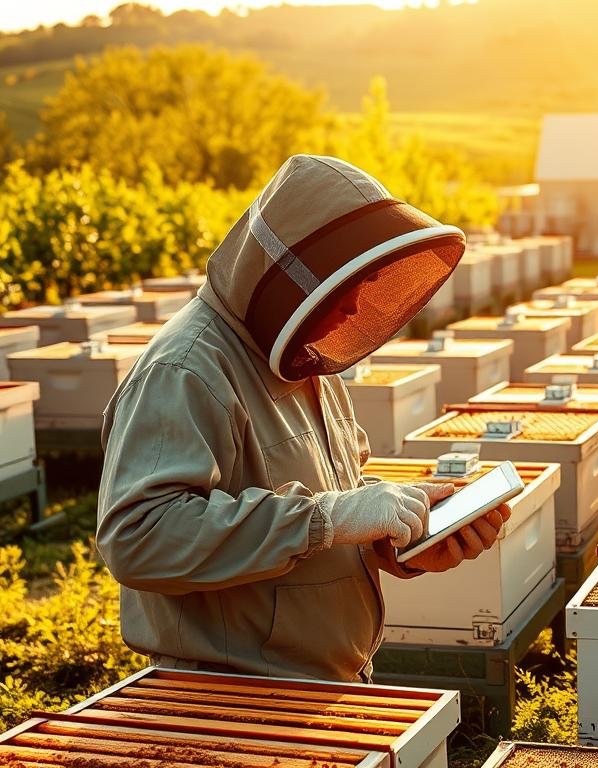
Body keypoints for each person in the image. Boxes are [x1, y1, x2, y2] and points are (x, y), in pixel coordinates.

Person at [96, 154, 509, 682]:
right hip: (230, 697)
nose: (356, 309)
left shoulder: (305, 359)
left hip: (321, 680)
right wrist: (328, 519)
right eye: (343, 284)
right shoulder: (185, 369)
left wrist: (403, 537)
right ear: (293, 273)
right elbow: (140, 537)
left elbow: (334, 502)